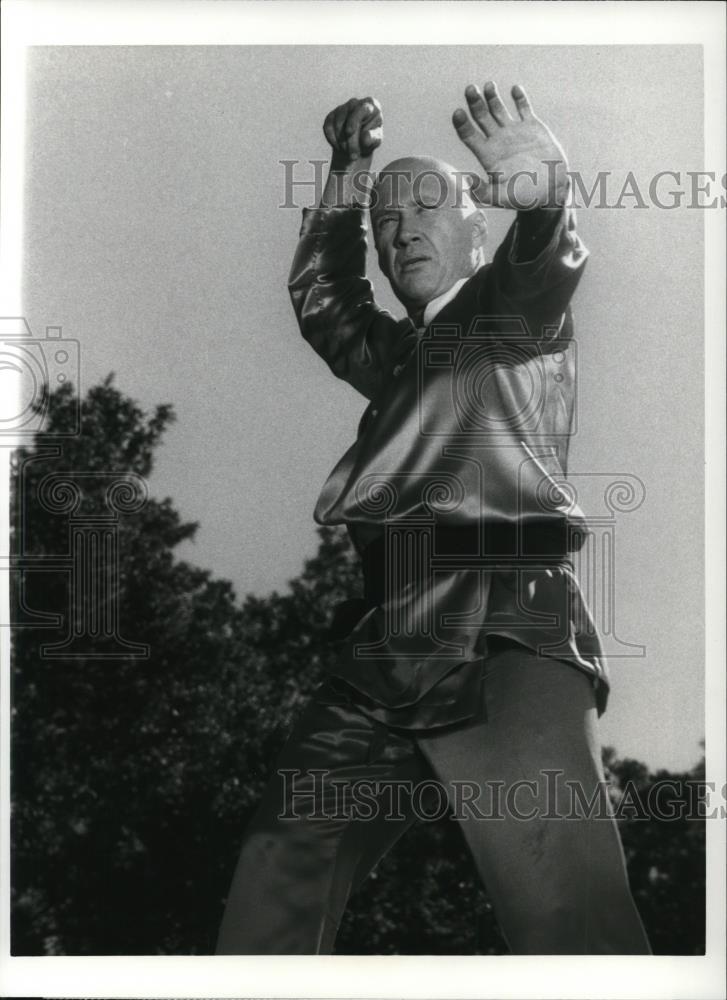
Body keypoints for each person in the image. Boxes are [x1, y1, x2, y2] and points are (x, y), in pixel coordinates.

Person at [216, 82, 652, 955]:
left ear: (476, 230)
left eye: (423, 208)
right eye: (384, 224)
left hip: (507, 623)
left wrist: (547, 198)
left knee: (566, 913)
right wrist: (348, 175)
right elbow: (323, 300)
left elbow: (544, 262)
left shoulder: (509, 315)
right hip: (385, 645)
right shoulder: (395, 357)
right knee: (273, 888)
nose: (401, 229)